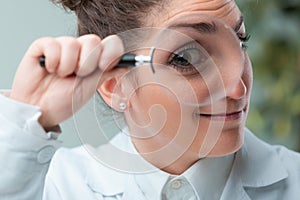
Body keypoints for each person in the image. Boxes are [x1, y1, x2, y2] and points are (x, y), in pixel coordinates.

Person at [0, 0, 299, 199]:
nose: (238, 91)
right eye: (187, 58)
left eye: (239, 41)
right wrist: (25, 124)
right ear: (114, 83)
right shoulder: (57, 186)